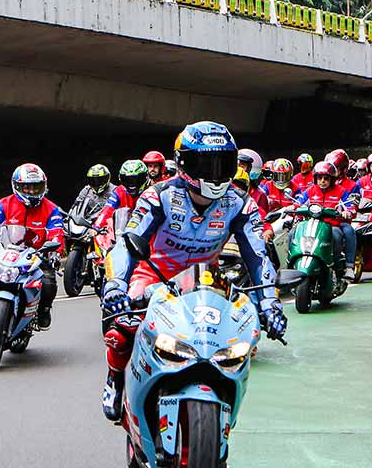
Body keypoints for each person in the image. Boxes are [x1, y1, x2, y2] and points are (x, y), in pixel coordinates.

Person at [99, 121, 285, 421]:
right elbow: (126, 242)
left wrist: (269, 303)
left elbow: (258, 255)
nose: (215, 173)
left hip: (207, 280)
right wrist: (116, 285)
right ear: (184, 163)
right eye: (206, 164)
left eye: (223, 164)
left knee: (240, 339)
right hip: (154, 274)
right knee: (122, 327)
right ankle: (116, 378)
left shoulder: (240, 204)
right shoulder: (157, 196)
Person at [0, 163, 64, 330]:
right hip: (6, 252)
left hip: (36, 256)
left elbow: (56, 232)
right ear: (16, 186)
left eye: (36, 187)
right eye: (27, 187)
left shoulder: (52, 209)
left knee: (48, 281)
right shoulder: (5, 204)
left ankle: (44, 309)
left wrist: (54, 252)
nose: (31, 192)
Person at [293, 161, 356, 277]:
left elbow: (351, 207)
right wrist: (294, 208)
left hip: (333, 225)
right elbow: (298, 204)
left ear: (332, 179)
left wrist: (347, 212)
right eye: (319, 178)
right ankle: (292, 265)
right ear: (315, 178)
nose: (322, 181)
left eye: (326, 178)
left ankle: (345, 266)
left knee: (338, 235)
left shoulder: (341, 191)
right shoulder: (310, 191)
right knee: (292, 233)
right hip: (311, 224)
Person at [325, 149, 358, 272]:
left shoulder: (351, 186)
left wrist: (347, 212)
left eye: (335, 168)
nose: (323, 180)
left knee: (349, 232)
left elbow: (353, 205)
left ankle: (349, 265)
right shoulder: (319, 185)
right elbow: (305, 199)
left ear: (344, 169)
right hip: (320, 220)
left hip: (339, 221)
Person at [94, 160, 148, 232]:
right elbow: (108, 209)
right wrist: (97, 226)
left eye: (136, 180)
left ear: (145, 178)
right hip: (123, 231)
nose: (132, 184)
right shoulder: (119, 191)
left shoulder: (151, 191)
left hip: (146, 230)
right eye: (127, 180)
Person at [237, 148, 273, 240]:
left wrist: (267, 229)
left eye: (242, 166)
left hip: (250, 235)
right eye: (236, 165)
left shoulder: (259, 195)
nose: (239, 169)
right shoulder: (223, 191)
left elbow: (261, 217)